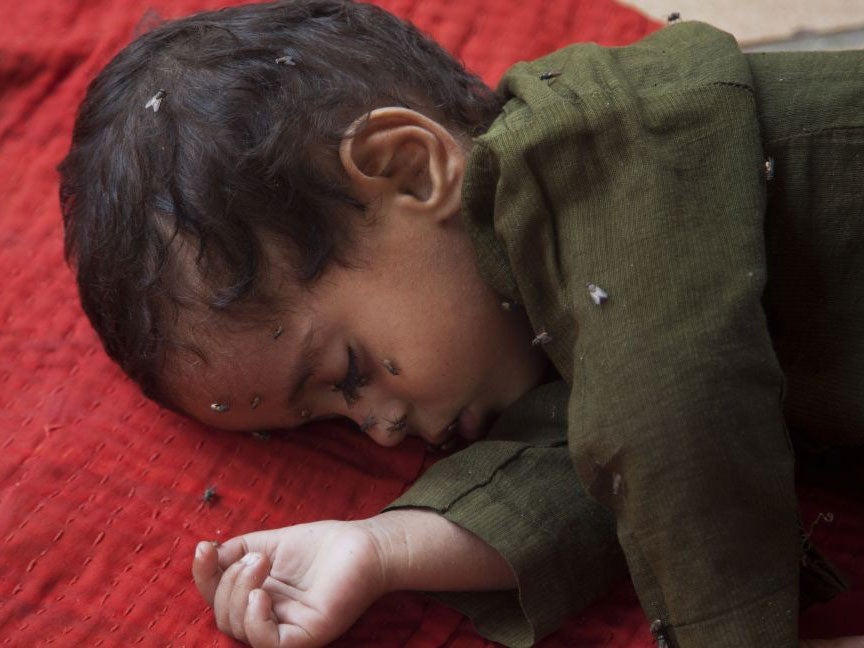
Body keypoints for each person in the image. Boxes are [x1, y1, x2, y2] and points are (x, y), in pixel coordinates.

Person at [58, 1, 864, 647]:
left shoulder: (602, 154)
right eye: (333, 419)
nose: (377, 430)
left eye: (345, 373)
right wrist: (379, 550)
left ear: (413, 172)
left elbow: (666, 422)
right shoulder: (551, 319)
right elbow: (589, 467)